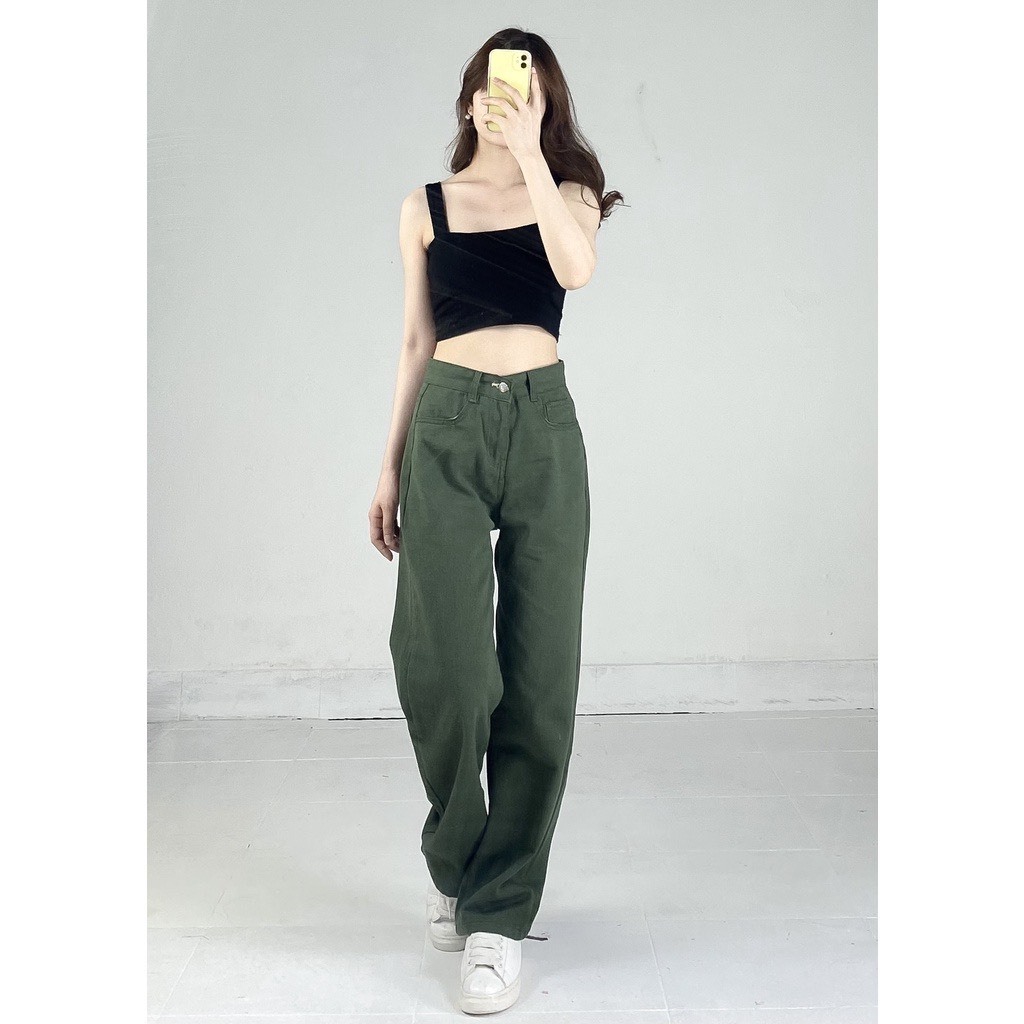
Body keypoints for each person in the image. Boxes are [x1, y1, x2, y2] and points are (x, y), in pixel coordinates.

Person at [368, 30, 623, 1015]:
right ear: (470, 94)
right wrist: (387, 464)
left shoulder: (569, 195)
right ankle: (458, 855)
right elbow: (413, 339)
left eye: (526, 88)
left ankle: (497, 918)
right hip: (445, 424)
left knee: (540, 677)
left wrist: (531, 157)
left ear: (544, 102)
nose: (505, 96)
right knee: (447, 666)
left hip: (543, 431)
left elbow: (576, 271)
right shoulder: (424, 207)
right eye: (492, 81)